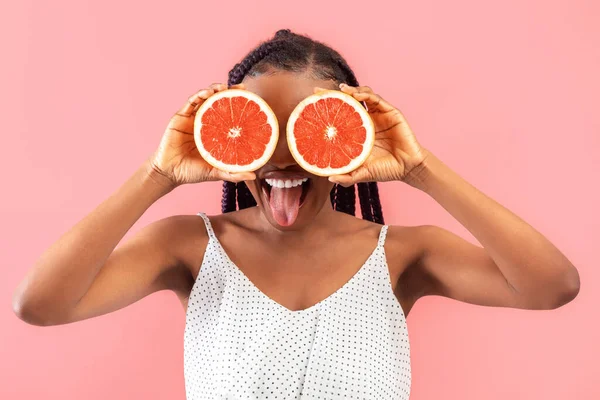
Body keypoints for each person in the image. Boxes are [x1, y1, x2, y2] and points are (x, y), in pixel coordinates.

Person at [12, 29, 580, 399]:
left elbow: (552, 285)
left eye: (307, 133)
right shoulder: (188, 247)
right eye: (260, 133)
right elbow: (39, 304)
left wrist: (419, 167)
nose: (282, 158)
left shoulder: (404, 255)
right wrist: (155, 176)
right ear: (229, 141)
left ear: (349, 136)